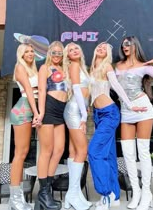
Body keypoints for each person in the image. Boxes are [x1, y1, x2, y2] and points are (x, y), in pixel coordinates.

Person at [88, 42, 146, 210]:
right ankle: (114, 195)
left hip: (109, 113)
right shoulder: (92, 68)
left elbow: (117, 87)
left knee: (95, 152)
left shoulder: (106, 66)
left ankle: (105, 194)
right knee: (108, 155)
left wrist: (129, 105)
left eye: (104, 48)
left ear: (108, 53)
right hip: (98, 115)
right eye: (99, 46)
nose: (100, 48)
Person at [115, 36, 153, 210]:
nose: (125, 46)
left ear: (134, 45)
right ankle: (136, 192)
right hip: (126, 110)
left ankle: (146, 193)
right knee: (128, 154)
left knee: (144, 152)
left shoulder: (143, 66)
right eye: (123, 44)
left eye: (128, 44)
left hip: (143, 107)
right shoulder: (117, 66)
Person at [35, 41, 67, 210]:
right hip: (49, 107)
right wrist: (40, 113)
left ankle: (45, 193)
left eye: (59, 53)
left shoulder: (65, 69)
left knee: (59, 150)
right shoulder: (45, 68)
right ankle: (44, 193)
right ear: (49, 53)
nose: (56, 55)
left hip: (62, 110)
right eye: (54, 52)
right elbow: (41, 91)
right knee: (46, 151)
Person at [9, 43, 39, 210]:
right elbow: (28, 90)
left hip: (30, 108)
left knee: (23, 153)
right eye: (26, 51)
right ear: (20, 54)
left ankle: (17, 199)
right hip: (23, 108)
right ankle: (15, 199)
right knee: (20, 154)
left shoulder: (33, 70)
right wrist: (36, 113)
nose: (30, 53)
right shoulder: (20, 67)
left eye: (32, 51)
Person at [63, 42, 92, 210]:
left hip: (79, 110)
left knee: (74, 151)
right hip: (74, 110)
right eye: (71, 50)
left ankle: (72, 195)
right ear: (68, 55)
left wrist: (85, 110)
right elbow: (76, 89)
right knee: (83, 151)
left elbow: (85, 93)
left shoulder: (82, 67)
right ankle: (73, 193)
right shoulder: (74, 66)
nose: (74, 51)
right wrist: (84, 114)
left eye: (76, 48)